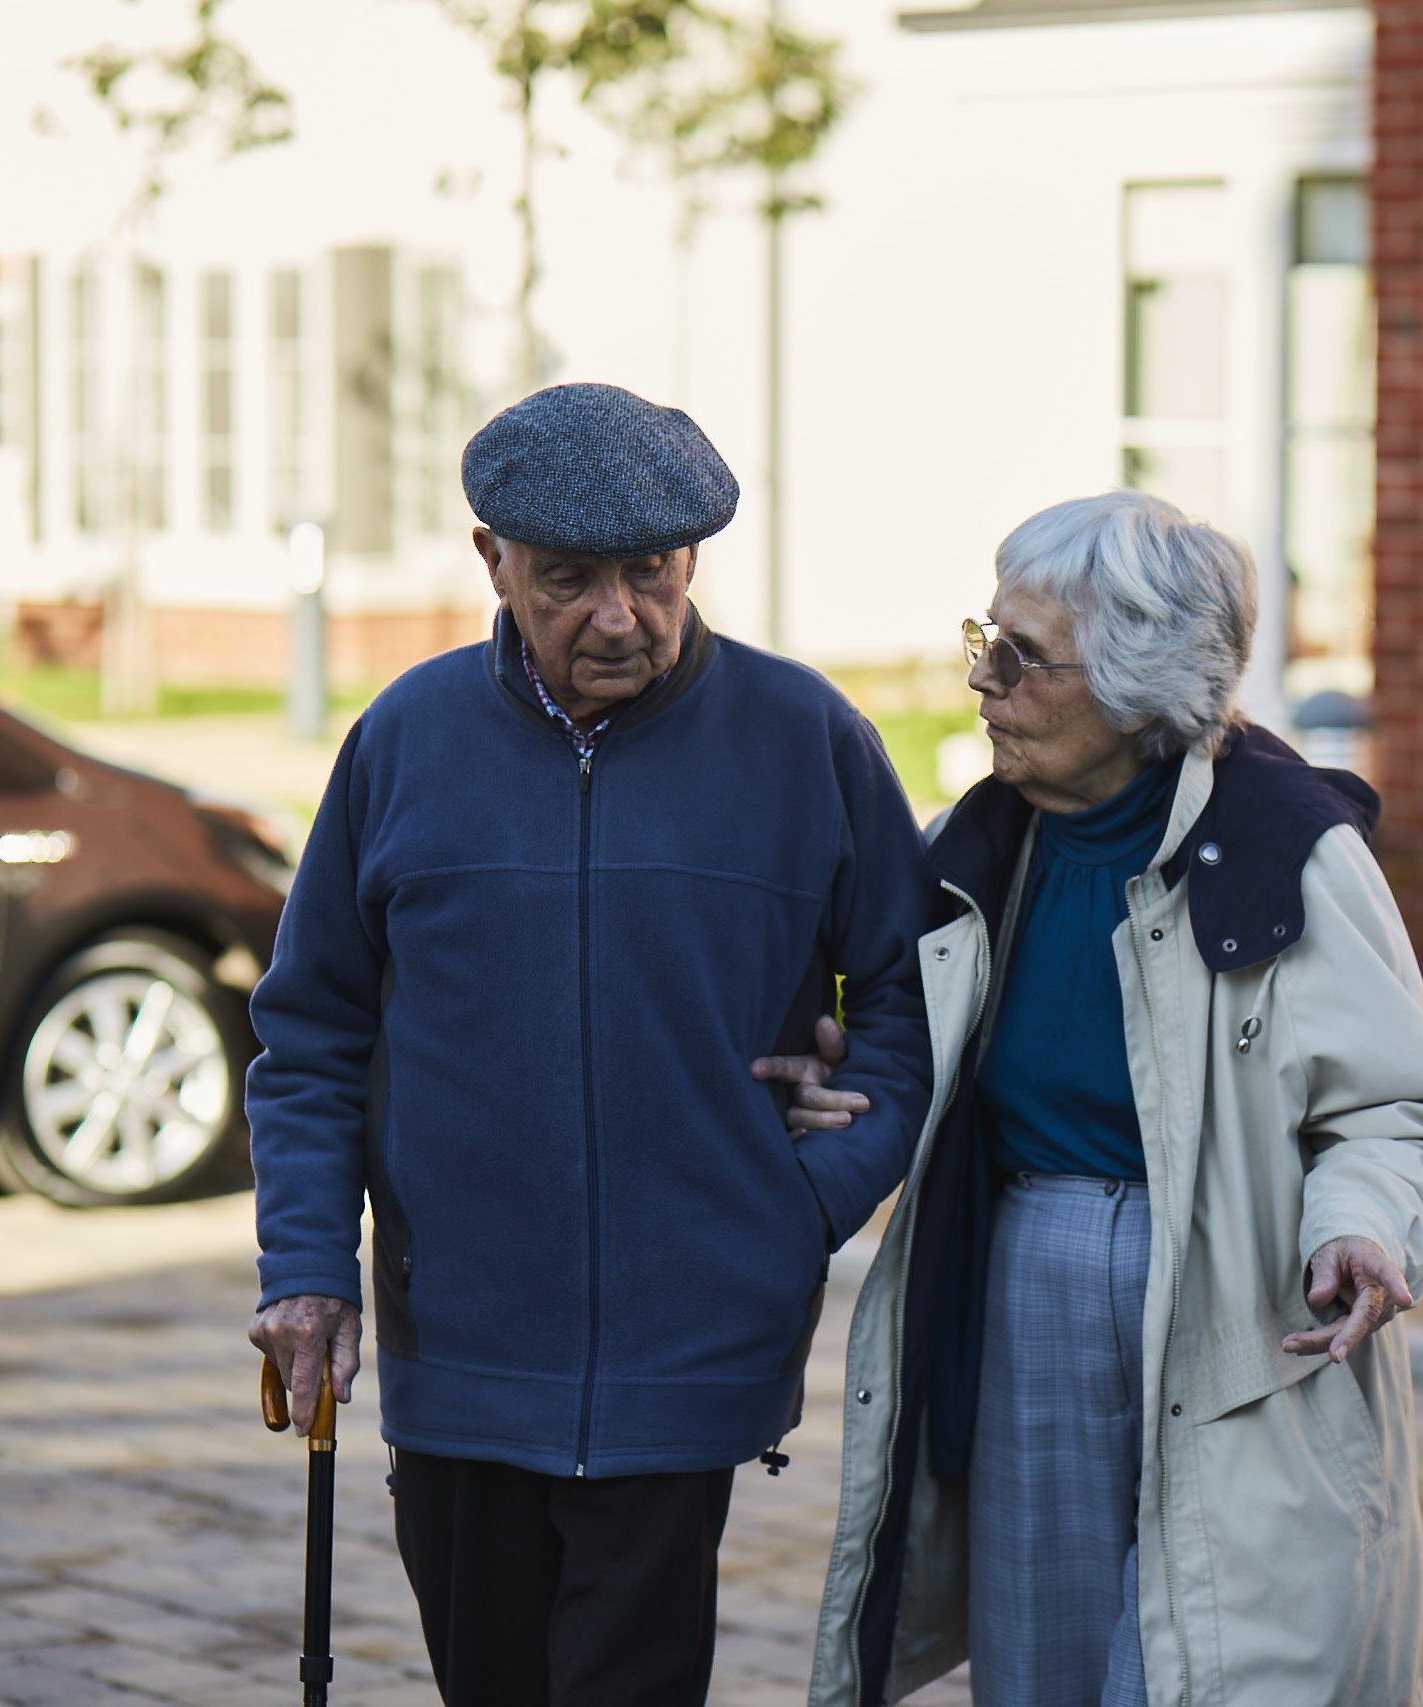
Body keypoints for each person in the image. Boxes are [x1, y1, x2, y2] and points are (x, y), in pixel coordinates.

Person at [243, 382, 937, 1707]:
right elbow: (314, 1031)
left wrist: (801, 1199)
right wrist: (307, 1266)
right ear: (493, 562)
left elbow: (912, 1000)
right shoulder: (404, 739)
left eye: (651, 572)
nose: (619, 616)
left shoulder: (806, 739)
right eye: (568, 579)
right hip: (460, 1347)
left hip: (692, 1351)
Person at [786, 490, 1423, 1706]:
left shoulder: (1291, 853)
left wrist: (1362, 1223)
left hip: (1236, 1300)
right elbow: (909, 1040)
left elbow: (1405, 1115)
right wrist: (840, 1077)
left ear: (1137, 689)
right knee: (1040, 1667)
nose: (981, 681)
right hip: (1026, 1274)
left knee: (1204, 1665)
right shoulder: (976, 845)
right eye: (985, 640)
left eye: (1021, 658)